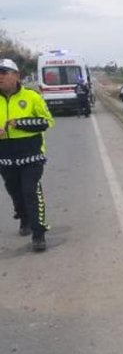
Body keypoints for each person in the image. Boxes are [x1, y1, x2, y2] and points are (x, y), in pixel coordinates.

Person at [0, 59, 55, 251]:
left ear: (16, 75)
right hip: (5, 158)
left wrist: (19, 123)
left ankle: (38, 234)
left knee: (31, 191)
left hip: (31, 156)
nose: (0, 76)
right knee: (15, 192)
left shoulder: (31, 97)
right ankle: (23, 217)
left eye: (4, 72)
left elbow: (47, 122)